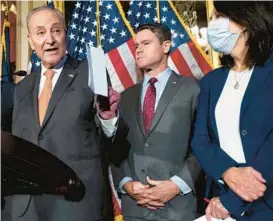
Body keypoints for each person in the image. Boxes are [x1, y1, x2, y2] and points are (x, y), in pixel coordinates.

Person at [3, 6, 123, 221]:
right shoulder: (21, 88)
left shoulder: (89, 73)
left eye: (56, 30)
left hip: (75, 202)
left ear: (65, 34)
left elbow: (111, 140)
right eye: (40, 33)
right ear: (31, 41)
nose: (50, 39)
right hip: (27, 206)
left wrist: (108, 118)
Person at [191, 1, 273, 220]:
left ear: (246, 21)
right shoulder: (211, 81)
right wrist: (227, 171)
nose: (212, 24)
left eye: (219, 16)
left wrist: (233, 201)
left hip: (264, 203)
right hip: (220, 201)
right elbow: (200, 140)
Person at [112, 23, 201, 221]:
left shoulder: (191, 89)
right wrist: (126, 182)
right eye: (136, 46)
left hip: (178, 208)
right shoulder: (125, 97)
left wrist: (176, 184)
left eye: (146, 43)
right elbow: (117, 148)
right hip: (135, 208)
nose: (139, 50)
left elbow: (203, 145)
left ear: (166, 46)